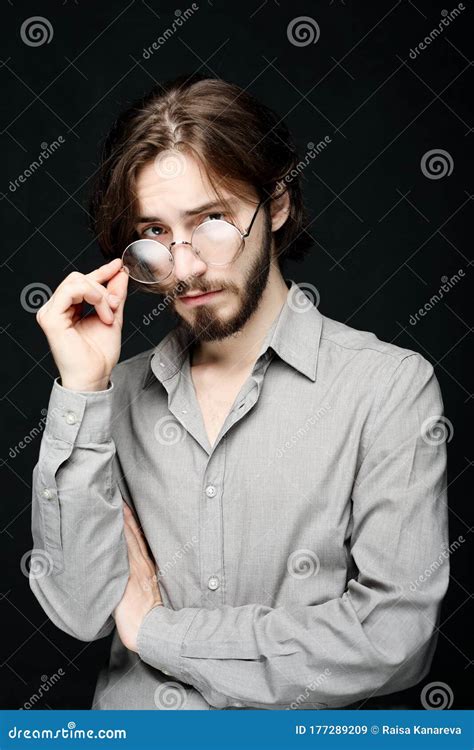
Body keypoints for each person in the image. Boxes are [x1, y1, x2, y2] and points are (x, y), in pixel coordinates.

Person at [30, 73, 449, 710]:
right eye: (157, 235)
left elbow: (392, 638)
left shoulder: (388, 388)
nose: (187, 266)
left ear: (276, 204)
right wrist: (82, 389)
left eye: (213, 221)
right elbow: (77, 610)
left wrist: (158, 632)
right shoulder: (109, 398)